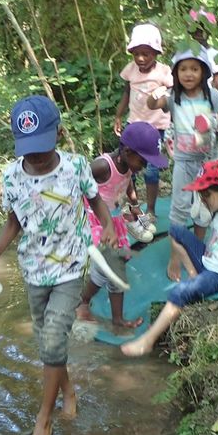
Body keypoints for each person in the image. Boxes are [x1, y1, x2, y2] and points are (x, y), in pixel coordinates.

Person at [0, 95, 116, 435]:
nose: (37, 158)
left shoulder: (76, 166)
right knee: (48, 344)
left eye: (42, 147)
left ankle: (44, 419)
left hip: (70, 267)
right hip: (34, 270)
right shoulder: (12, 176)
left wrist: (108, 225)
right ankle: (69, 392)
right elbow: (14, 222)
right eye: (29, 151)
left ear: (59, 133)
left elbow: (95, 199)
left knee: (54, 336)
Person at [120, 161, 218, 357]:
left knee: (180, 292)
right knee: (176, 230)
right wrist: (194, 269)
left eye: (206, 195)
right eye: (201, 195)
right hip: (209, 262)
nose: (203, 200)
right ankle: (194, 274)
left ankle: (148, 341)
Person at [147, 49, 218, 282]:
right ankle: (175, 255)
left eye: (194, 69)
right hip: (184, 162)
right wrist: (154, 93)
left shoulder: (212, 96)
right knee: (179, 209)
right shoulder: (174, 97)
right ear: (176, 73)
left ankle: (195, 249)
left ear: (204, 72)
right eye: (183, 69)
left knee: (204, 208)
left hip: (208, 162)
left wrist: (211, 128)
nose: (189, 74)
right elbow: (152, 105)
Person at [77, 122, 169, 328]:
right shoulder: (103, 166)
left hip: (115, 219)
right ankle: (83, 303)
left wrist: (135, 205)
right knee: (111, 267)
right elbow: (76, 180)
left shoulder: (128, 166)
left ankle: (113, 316)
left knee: (114, 268)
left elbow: (128, 184)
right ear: (127, 151)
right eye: (142, 162)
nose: (143, 167)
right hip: (95, 221)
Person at [114, 23, 174, 240]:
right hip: (134, 125)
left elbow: (172, 97)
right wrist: (118, 115)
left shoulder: (164, 72)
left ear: (156, 53)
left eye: (146, 54)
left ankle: (150, 210)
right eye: (136, 54)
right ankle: (131, 205)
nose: (140, 58)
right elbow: (126, 93)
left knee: (151, 170)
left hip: (155, 127)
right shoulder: (130, 70)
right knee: (127, 166)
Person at [188, 7, 218, 91]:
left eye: (203, 29)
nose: (199, 33)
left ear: (208, 31)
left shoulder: (215, 54)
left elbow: (217, 83)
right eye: (196, 29)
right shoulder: (183, 52)